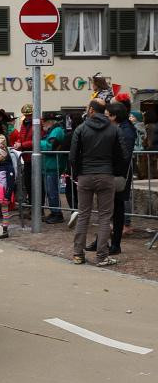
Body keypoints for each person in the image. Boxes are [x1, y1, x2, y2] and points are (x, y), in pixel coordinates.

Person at [69, 98, 127, 266]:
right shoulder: (114, 129)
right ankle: (102, 256)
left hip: (85, 175)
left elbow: (73, 156)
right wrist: (113, 171)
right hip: (106, 174)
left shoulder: (81, 128)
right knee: (104, 217)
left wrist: (79, 172)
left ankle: (78, 254)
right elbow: (123, 155)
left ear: (92, 110)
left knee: (83, 215)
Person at [84, 101, 136, 256]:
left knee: (115, 209)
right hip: (111, 172)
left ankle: (115, 244)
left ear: (114, 116)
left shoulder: (126, 131)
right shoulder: (118, 127)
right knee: (107, 209)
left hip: (117, 174)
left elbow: (123, 155)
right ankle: (102, 241)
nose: (104, 117)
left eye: (107, 115)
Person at [40, 113, 67, 224]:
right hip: (49, 166)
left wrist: (38, 142)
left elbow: (50, 147)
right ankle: (53, 212)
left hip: (52, 166)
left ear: (50, 121)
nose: (42, 124)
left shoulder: (56, 131)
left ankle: (57, 214)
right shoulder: (53, 131)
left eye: (44, 121)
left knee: (52, 192)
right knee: (50, 191)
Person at [9, 103, 34, 203]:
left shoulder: (37, 123)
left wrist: (22, 145)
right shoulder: (24, 123)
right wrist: (18, 142)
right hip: (26, 157)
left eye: (29, 115)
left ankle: (37, 209)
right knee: (27, 183)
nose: (27, 117)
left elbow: (36, 139)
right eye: (26, 115)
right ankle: (32, 206)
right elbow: (21, 136)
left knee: (35, 184)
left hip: (34, 158)